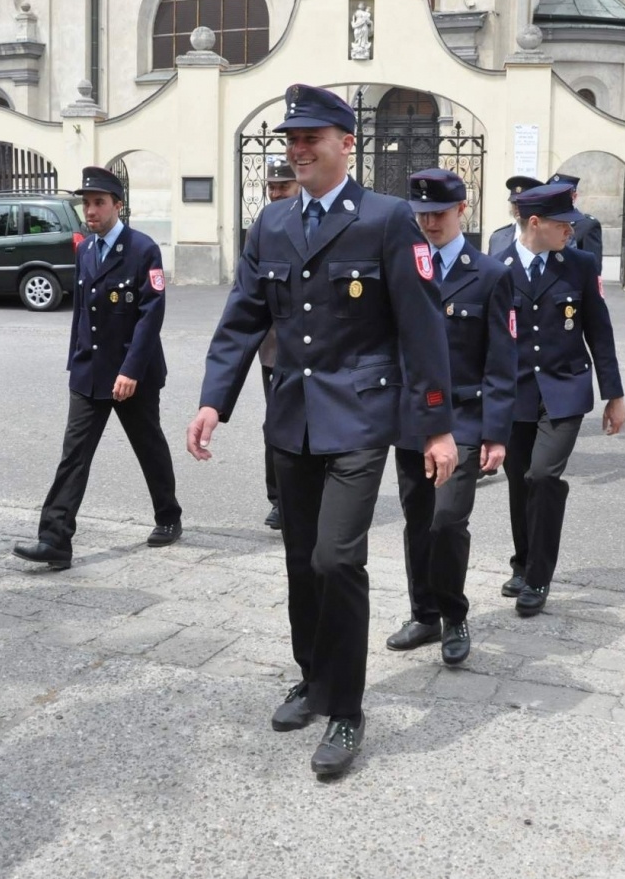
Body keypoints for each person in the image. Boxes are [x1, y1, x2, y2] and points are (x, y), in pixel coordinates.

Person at [187, 83, 455, 777]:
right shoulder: (271, 224)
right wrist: (215, 399)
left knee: (338, 559)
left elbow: (423, 329)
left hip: (362, 416)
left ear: (346, 143)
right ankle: (312, 676)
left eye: (311, 138)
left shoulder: (387, 219)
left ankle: (346, 708)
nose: (298, 149)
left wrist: (434, 426)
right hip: (293, 421)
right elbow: (243, 317)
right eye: (291, 139)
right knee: (302, 561)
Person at [14, 166, 181, 568]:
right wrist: (76, 360)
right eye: (86, 203)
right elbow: (81, 314)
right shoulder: (85, 249)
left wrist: (131, 370)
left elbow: (150, 314)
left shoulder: (143, 249)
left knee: (148, 445)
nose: (90, 210)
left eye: (98, 203)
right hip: (90, 372)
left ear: (117, 206)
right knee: (74, 455)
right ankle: (55, 539)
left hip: (132, 373)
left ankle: (168, 516)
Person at [384, 169, 514, 664]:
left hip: (464, 417)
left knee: (446, 522)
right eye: (421, 215)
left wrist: (496, 433)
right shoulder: (403, 269)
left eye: (439, 213)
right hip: (411, 419)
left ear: (462, 210)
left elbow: (503, 361)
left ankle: (454, 614)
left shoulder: (491, 275)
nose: (429, 222)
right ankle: (423, 615)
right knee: (418, 520)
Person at [499, 182, 625, 613]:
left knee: (542, 477)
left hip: (565, 390)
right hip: (513, 393)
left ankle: (538, 577)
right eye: (562, 224)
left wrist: (614, 394)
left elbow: (599, 332)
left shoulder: (579, 265)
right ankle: (521, 562)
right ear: (535, 223)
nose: (571, 230)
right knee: (519, 481)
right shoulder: (497, 267)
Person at [258, 156, 300, 530]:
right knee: (275, 424)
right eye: (272, 187)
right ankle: (279, 500)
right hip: (272, 351)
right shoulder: (264, 227)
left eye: (282, 187)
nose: (276, 193)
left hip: (311, 350)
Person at [547, 172, 604, 257]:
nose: (557, 199)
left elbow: (592, 267)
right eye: (553, 195)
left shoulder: (587, 226)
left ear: (574, 196)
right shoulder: (545, 222)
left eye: (562, 196)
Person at [486, 174, 542, 255]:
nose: (517, 207)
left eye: (522, 203)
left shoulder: (547, 238)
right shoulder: (497, 238)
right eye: (514, 203)